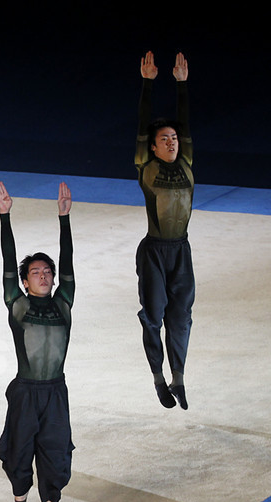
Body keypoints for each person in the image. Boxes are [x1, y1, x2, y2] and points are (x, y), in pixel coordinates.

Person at [0, 181, 74, 502]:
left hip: (55, 393)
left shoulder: (64, 304)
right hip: (26, 392)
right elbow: (8, 263)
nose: (43, 276)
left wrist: (64, 219)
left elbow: (69, 262)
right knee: (20, 456)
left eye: (47, 272)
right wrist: (5, 216)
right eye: (35, 272)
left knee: (55, 459)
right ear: (25, 282)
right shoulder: (19, 306)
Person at [135, 51, 194, 410]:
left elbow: (186, 125)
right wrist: (148, 83)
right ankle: (158, 377)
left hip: (181, 252)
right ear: (153, 147)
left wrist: (182, 85)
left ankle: (179, 378)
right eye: (165, 139)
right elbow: (142, 127)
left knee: (181, 318)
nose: (171, 141)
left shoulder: (187, 162)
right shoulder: (145, 166)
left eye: (174, 137)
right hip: (155, 251)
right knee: (154, 315)